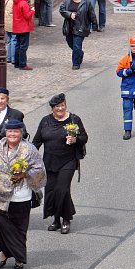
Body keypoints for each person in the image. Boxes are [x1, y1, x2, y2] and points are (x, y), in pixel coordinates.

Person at [0, 120, 46, 269]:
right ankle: (5, 250)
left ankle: (18, 257)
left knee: (19, 229)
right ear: (6, 132)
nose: (12, 134)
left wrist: (25, 174)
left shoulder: (30, 149)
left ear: (21, 133)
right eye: (10, 131)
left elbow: (40, 169)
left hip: (21, 195)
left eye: (16, 131)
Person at [32, 93, 88, 235]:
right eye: (57, 106)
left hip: (68, 161)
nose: (60, 108)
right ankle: (56, 219)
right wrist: (29, 156)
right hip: (49, 161)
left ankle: (66, 219)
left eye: (62, 105)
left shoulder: (74, 119)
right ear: (52, 108)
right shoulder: (45, 121)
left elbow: (84, 137)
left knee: (62, 189)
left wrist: (75, 140)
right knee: (51, 191)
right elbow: (37, 141)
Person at [59, 0, 97, 70]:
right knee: (70, 43)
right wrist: (70, 14)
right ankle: (80, 53)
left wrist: (95, 24)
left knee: (76, 45)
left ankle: (76, 63)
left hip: (81, 27)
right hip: (69, 27)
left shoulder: (86, 2)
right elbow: (62, 10)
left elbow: (92, 14)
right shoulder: (67, 1)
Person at [12, 0, 35, 70]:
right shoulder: (23, 3)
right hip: (24, 27)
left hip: (18, 26)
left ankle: (17, 62)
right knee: (23, 46)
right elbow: (27, 16)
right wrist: (32, 10)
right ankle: (22, 64)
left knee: (18, 45)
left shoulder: (16, 2)